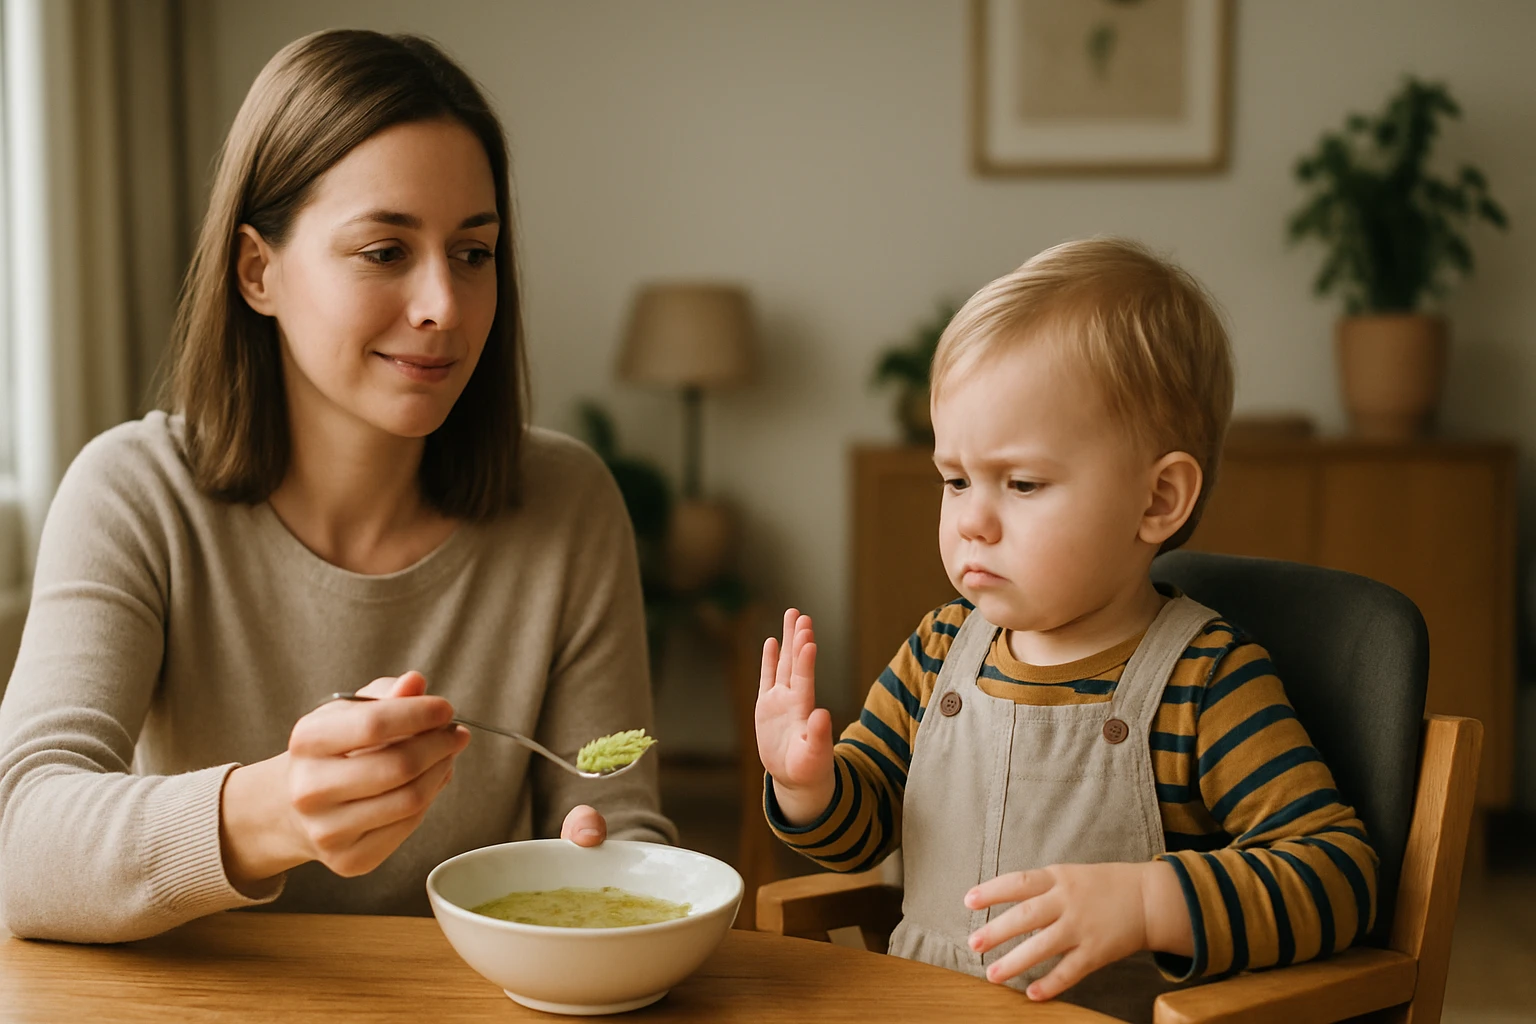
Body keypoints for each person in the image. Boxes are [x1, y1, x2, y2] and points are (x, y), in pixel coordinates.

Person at [0, 29, 673, 944]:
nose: (442, 303)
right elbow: (19, 839)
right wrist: (268, 813)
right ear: (257, 271)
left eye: (474, 253)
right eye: (385, 251)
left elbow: (616, 819)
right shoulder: (134, 495)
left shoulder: (567, 503)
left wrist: (604, 863)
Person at [754, 239, 1377, 1021]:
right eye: (955, 480)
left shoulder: (1206, 680)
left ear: (1157, 501)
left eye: (1021, 483)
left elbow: (1338, 876)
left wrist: (1153, 902)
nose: (972, 520)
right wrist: (808, 787)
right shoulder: (937, 652)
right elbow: (862, 833)